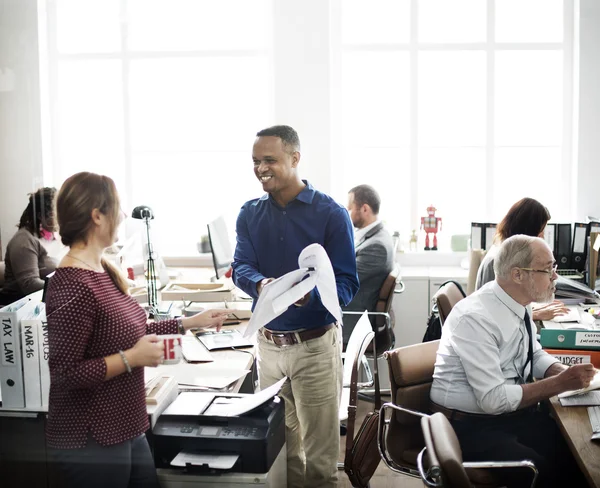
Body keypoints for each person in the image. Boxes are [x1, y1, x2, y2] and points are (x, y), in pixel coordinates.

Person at [45, 172, 230, 488]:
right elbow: (66, 373)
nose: (122, 218)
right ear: (97, 216)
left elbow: (128, 329)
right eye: (117, 209)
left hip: (126, 425)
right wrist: (132, 358)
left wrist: (188, 322)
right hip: (92, 437)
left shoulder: (101, 270)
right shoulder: (71, 284)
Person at [232, 125, 359, 488]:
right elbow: (240, 266)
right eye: (255, 161)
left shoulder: (331, 214)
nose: (260, 168)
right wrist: (259, 284)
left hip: (314, 347)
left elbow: (347, 284)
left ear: (295, 158)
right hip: (269, 347)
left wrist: (312, 296)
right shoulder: (249, 213)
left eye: (269, 160)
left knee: (319, 462)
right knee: (282, 454)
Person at [431, 234, 594, 488]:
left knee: (576, 451)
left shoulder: (519, 302)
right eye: (548, 269)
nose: (555, 277)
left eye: (554, 268)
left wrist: (560, 370)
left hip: (505, 416)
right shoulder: (476, 318)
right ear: (518, 275)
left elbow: (534, 353)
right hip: (467, 427)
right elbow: (493, 400)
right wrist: (561, 383)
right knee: (546, 470)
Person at [475, 197, 568, 321]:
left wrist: (534, 307)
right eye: (540, 233)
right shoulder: (498, 260)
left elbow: (510, 302)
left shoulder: (509, 254)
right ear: (528, 231)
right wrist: (535, 315)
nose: (542, 239)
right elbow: (491, 313)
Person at [342, 184, 394, 346]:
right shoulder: (375, 236)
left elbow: (345, 278)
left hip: (352, 320)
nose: (346, 213)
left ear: (364, 209)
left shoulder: (376, 247)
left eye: (349, 208)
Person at [0, 187, 58, 305]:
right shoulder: (24, 240)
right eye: (55, 213)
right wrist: (64, 289)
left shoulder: (50, 237)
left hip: (41, 303)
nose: (60, 218)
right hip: (19, 306)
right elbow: (30, 284)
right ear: (40, 216)